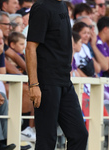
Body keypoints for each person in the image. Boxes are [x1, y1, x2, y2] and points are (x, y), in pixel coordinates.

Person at [25, 0, 88, 149]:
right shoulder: (42, 7)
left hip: (65, 81)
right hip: (47, 82)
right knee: (47, 138)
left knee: (79, 134)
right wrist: (34, 84)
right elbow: (30, 48)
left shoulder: (62, 6)